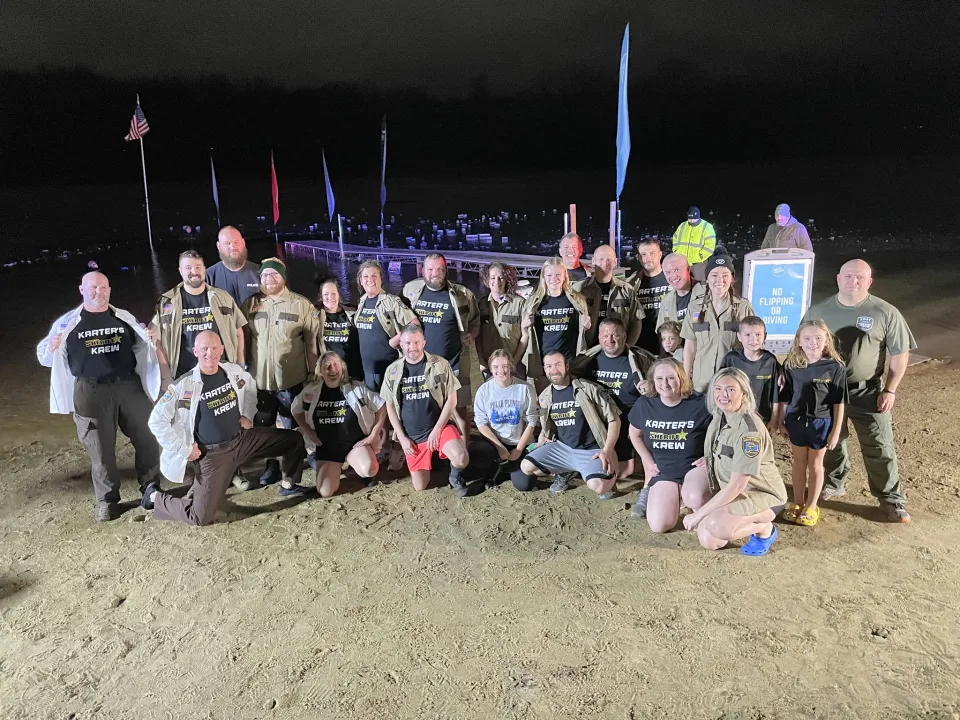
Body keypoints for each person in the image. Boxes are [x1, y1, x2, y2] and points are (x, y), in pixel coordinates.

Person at [144, 331, 307, 526]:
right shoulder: (184, 385)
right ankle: (155, 498)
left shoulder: (232, 371)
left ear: (221, 349)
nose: (209, 353)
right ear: (195, 351)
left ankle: (289, 483)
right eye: (204, 349)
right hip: (213, 455)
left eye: (214, 348)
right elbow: (156, 421)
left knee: (293, 440)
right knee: (200, 517)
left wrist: (247, 413)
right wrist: (184, 449)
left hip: (242, 441)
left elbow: (249, 387)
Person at [37, 272, 162, 522]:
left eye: (103, 287)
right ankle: (108, 500)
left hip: (128, 385)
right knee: (100, 449)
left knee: (148, 437)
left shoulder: (122, 316)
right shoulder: (68, 322)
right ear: (82, 290)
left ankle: (151, 487)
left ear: (109, 290)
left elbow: (143, 342)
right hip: (90, 390)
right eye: (93, 287)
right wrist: (50, 347)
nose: (99, 292)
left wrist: (152, 339)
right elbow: (44, 357)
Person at [801, 258, 915, 522]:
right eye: (849, 276)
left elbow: (900, 354)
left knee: (878, 444)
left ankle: (890, 499)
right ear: (838, 278)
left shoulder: (885, 312)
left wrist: (891, 390)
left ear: (870, 282)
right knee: (831, 440)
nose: (854, 281)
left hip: (867, 391)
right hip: (827, 391)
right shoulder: (818, 311)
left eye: (860, 278)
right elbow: (804, 348)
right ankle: (834, 482)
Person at [683, 368, 788, 555]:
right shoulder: (720, 415)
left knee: (716, 526)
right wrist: (711, 458)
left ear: (744, 394)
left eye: (731, 389)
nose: (723, 394)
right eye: (718, 388)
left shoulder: (749, 432)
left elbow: (737, 486)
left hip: (762, 494)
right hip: (732, 487)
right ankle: (720, 518)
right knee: (709, 541)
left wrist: (699, 514)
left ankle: (764, 529)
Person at [240, 257, 320, 492]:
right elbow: (240, 336)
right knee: (264, 426)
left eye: (274, 274)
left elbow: (312, 345)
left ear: (283, 278)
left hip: (291, 380)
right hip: (260, 382)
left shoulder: (301, 305)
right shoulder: (251, 304)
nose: (268, 279)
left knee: (291, 425)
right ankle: (271, 466)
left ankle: (292, 472)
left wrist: (313, 375)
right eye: (264, 275)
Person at [380, 324, 470, 496]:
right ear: (401, 344)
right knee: (420, 486)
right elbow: (389, 406)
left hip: (439, 427)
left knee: (461, 458)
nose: (412, 347)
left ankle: (455, 476)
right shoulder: (392, 370)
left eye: (416, 342)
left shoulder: (440, 364)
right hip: (413, 435)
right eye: (407, 343)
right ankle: (434, 459)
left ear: (424, 343)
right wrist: (402, 438)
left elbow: (452, 400)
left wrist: (437, 430)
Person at [517, 351, 620, 497]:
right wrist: (543, 437)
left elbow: (614, 419)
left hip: (591, 450)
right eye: (549, 366)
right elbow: (547, 424)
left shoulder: (588, 388)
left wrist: (608, 450)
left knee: (598, 487)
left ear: (566, 366)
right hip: (563, 449)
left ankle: (613, 473)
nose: (554, 370)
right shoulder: (544, 397)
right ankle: (567, 470)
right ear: (544, 369)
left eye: (558, 365)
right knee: (526, 466)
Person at [777, 320, 848, 527]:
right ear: (799, 341)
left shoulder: (835, 367)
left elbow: (839, 402)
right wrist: (781, 420)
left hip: (821, 422)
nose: (812, 343)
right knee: (799, 462)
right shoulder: (791, 365)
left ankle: (811, 505)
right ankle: (798, 503)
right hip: (796, 421)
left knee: (816, 464)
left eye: (818, 338)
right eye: (807, 338)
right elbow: (785, 396)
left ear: (826, 341)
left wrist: (835, 432)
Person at [627, 359, 712, 531]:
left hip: (695, 468)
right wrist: (649, 462)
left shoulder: (700, 403)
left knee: (694, 499)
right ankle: (677, 495)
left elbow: (722, 432)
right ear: (652, 381)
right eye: (659, 379)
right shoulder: (645, 404)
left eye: (671, 378)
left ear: (681, 378)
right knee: (659, 525)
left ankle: (695, 499)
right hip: (665, 471)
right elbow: (634, 435)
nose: (664, 384)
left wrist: (710, 456)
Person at [291, 352, 386, 498]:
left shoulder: (356, 388)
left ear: (342, 368)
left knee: (369, 469)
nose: (332, 369)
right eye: (326, 366)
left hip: (354, 444)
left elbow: (381, 405)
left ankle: (354, 462)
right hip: (327, 448)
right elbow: (295, 410)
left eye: (335, 364)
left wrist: (373, 435)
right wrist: (308, 432)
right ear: (320, 372)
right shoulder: (311, 391)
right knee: (325, 491)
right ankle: (333, 468)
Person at [571, 318, 655, 480]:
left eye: (615, 335)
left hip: (628, 422)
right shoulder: (586, 361)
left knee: (624, 471)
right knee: (604, 470)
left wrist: (651, 386)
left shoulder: (642, 360)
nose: (609, 340)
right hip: (599, 421)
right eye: (605, 335)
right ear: (599, 337)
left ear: (624, 336)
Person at [151, 250, 247, 388]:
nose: (194, 272)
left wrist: (241, 365)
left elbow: (238, 331)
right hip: (184, 377)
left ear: (204, 269)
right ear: (180, 271)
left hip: (223, 374)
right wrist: (166, 377)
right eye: (188, 268)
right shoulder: (168, 302)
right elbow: (157, 341)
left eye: (197, 267)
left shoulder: (222, 297)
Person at [402, 253, 480, 419]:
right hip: (421, 365)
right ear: (423, 270)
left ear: (446, 270)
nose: (435, 273)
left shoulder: (463, 294)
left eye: (439, 269)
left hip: (455, 363)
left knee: (460, 410)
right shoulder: (410, 291)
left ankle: (463, 444)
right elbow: (399, 319)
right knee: (428, 409)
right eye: (430, 269)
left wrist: (471, 334)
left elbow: (475, 320)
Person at [681, 247, 755, 393]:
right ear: (707, 278)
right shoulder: (695, 307)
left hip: (733, 384)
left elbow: (753, 346)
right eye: (714, 275)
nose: (719, 280)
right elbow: (690, 347)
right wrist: (685, 379)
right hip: (701, 385)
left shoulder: (743, 308)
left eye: (725, 275)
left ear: (732, 278)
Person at [470, 349, 539, 490]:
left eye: (504, 366)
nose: (500, 371)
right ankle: (498, 467)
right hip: (496, 443)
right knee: (476, 451)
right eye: (495, 367)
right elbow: (481, 422)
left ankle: (510, 468)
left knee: (524, 485)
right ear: (490, 368)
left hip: (519, 442)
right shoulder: (484, 390)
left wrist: (519, 449)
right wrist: (499, 447)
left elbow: (532, 420)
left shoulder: (524, 388)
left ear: (511, 367)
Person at [521, 258, 591, 389]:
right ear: (543, 278)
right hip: (542, 363)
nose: (554, 278)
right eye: (549, 275)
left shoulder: (577, 300)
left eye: (558, 274)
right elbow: (525, 335)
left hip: (570, 362)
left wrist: (586, 326)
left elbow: (583, 332)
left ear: (565, 276)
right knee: (543, 405)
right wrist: (524, 327)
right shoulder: (533, 302)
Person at [352, 260, 418, 392]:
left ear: (381, 279)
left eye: (374, 275)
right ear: (360, 280)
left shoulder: (391, 301)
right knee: (374, 408)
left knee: (392, 406)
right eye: (365, 276)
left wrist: (395, 341)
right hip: (368, 368)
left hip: (389, 366)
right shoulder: (361, 302)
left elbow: (414, 323)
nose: (370, 280)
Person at [719, 316, 782, 430]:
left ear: (765, 336)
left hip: (762, 418)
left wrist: (773, 420)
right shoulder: (731, 359)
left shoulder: (770, 361)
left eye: (758, 334)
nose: (754, 339)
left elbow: (776, 395)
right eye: (748, 335)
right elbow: (719, 389)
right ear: (740, 337)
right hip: (735, 416)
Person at [574, 243, 643, 347]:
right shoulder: (579, 289)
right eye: (601, 259)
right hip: (587, 352)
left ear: (615, 262)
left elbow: (636, 322)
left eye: (609, 259)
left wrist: (627, 347)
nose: (605, 263)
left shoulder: (626, 290)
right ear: (593, 261)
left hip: (616, 351)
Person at [476, 262, 528, 377]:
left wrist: (513, 362)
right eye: (493, 277)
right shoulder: (481, 304)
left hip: (515, 366)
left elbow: (525, 335)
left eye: (501, 277)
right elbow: (478, 336)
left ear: (507, 280)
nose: (497, 281)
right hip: (490, 367)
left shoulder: (519, 304)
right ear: (487, 280)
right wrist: (481, 361)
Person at [631, 238, 671, 354]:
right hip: (641, 343)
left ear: (660, 255)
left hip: (669, 343)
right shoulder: (632, 283)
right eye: (643, 254)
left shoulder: (672, 278)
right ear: (638, 258)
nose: (648, 258)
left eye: (652, 253)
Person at [205, 226, 262, 306]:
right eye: (227, 243)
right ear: (219, 246)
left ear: (243, 243)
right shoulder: (208, 277)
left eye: (236, 242)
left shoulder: (261, 272)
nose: (232, 247)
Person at [317, 279, 361, 380]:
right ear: (320, 297)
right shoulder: (314, 316)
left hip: (352, 372)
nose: (330, 297)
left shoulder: (352, 313)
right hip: (328, 372)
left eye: (333, 293)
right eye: (326, 294)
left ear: (338, 295)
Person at [656, 253, 704, 329]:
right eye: (668, 272)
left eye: (677, 270)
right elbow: (662, 334)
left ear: (688, 269)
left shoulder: (707, 292)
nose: (673, 276)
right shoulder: (665, 302)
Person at [671, 207, 716, 272]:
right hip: (681, 262)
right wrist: (675, 250)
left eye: (694, 219)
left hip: (698, 263)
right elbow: (675, 238)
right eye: (690, 219)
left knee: (698, 281)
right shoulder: (682, 225)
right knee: (683, 281)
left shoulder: (707, 226)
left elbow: (710, 245)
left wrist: (700, 256)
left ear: (698, 217)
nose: (692, 221)